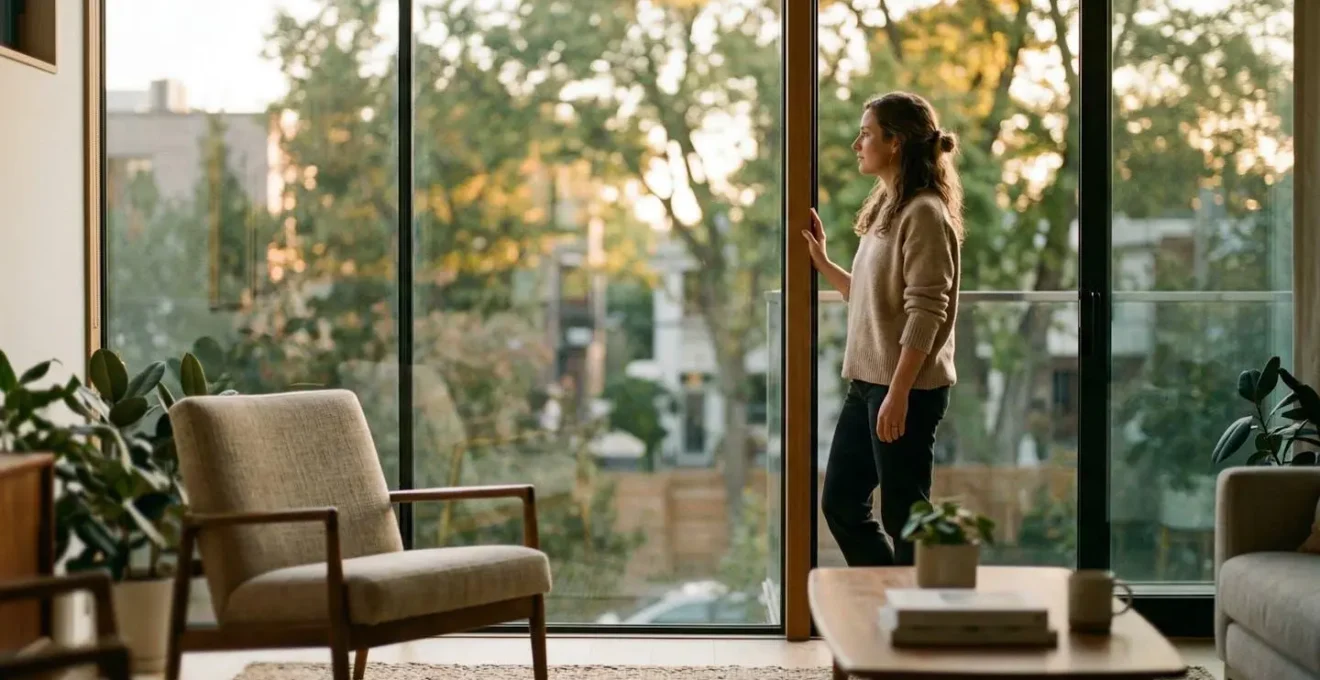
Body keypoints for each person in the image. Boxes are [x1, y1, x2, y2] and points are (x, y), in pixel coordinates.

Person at [803, 91, 964, 567]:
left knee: (905, 519)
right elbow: (875, 299)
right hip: (868, 384)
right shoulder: (888, 209)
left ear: (894, 143)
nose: (857, 144)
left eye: (867, 133)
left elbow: (926, 312)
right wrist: (825, 263)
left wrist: (898, 394)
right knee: (841, 503)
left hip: (905, 389)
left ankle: (912, 620)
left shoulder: (925, 214)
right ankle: (885, 603)